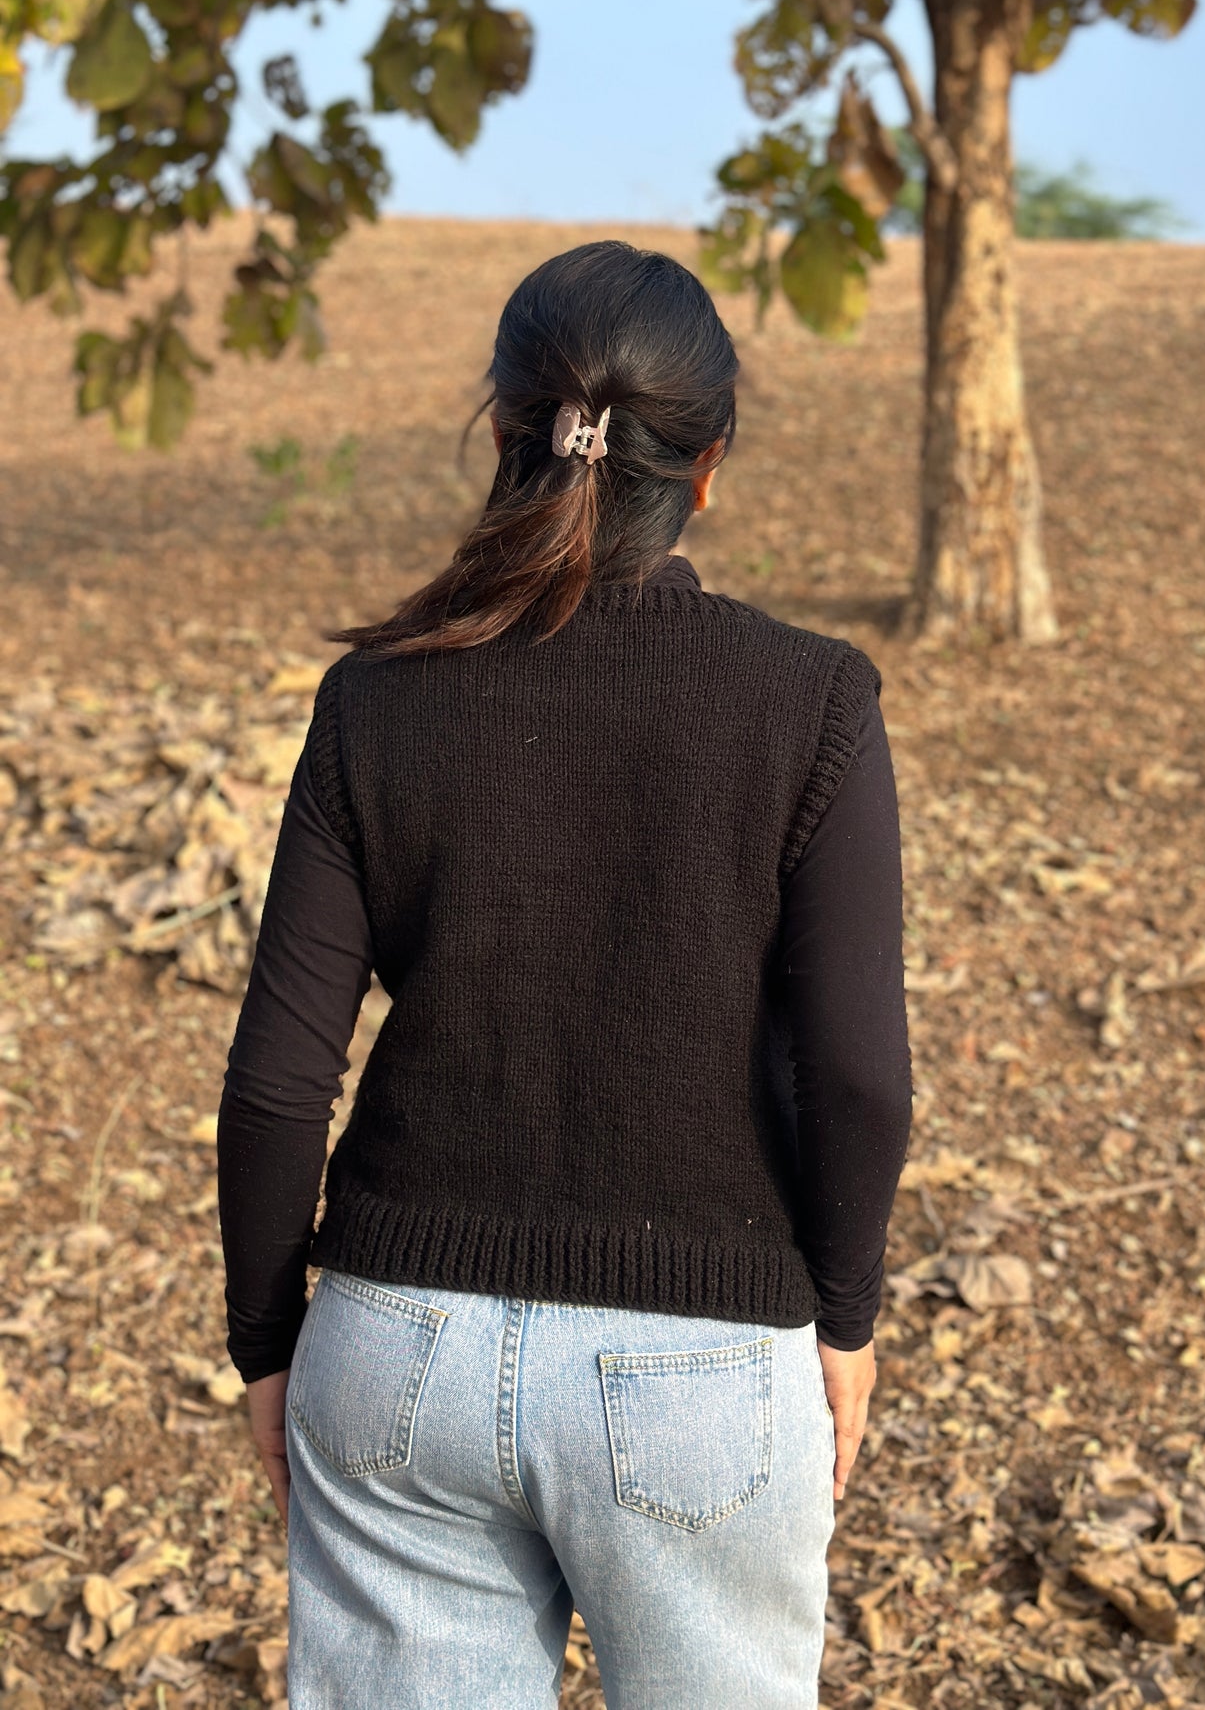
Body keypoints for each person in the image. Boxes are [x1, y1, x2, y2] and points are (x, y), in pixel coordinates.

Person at [217, 238, 913, 1709]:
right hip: (705, 1367)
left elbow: (281, 1083)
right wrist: (841, 1321)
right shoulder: (813, 703)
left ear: (501, 436)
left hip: (391, 1348)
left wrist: (270, 1343)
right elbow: (855, 1070)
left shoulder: (373, 704)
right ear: (709, 463)